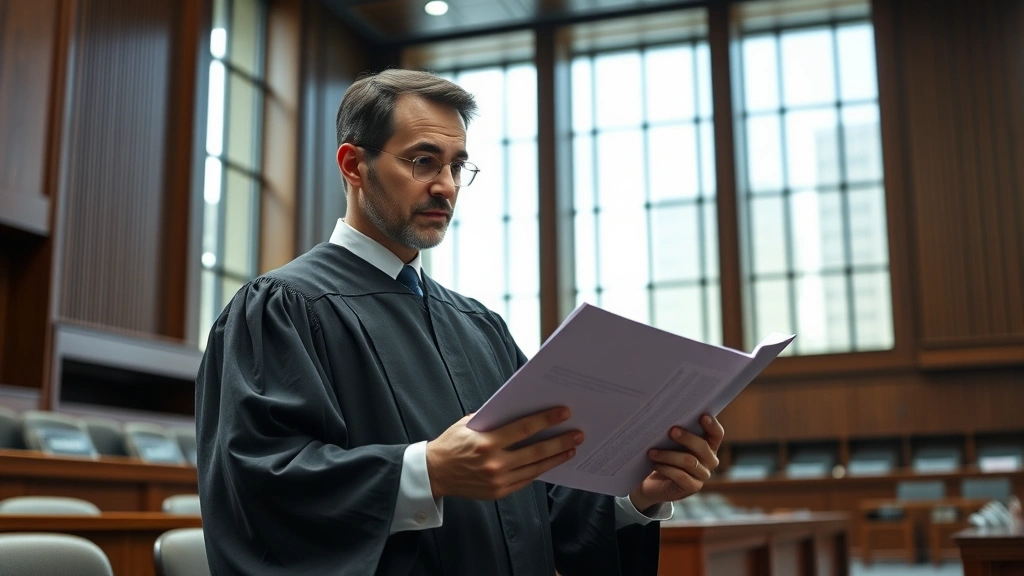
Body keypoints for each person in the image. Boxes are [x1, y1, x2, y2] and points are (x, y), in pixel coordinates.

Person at [195, 69, 725, 575]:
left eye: (456, 165)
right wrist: (427, 472)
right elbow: (259, 492)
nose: (446, 186)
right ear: (354, 165)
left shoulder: (478, 325)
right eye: (423, 161)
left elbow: (541, 501)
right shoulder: (282, 307)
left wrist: (638, 495)